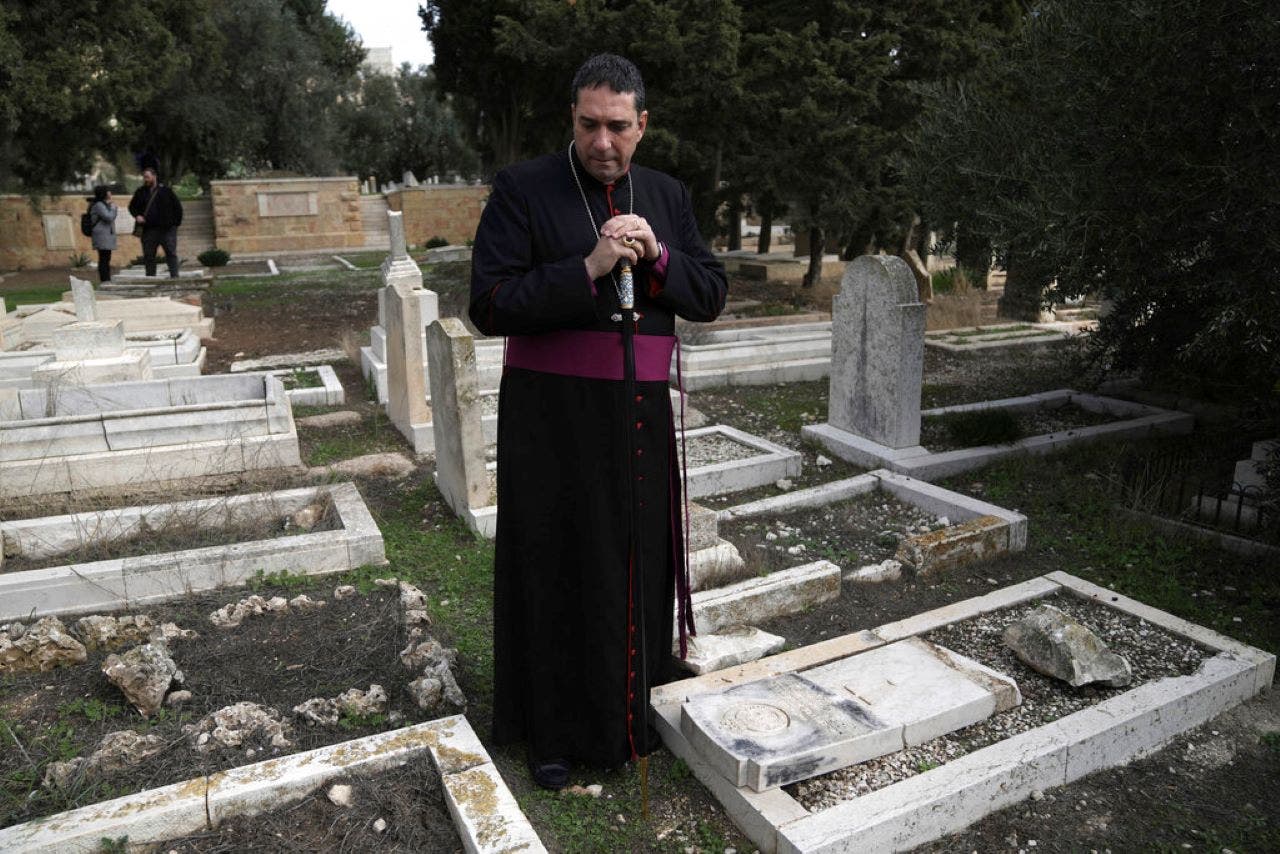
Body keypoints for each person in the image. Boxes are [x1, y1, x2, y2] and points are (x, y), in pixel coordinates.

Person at [470, 53, 728, 789]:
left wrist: (659, 256)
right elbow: (488, 305)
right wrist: (586, 266)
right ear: (572, 120)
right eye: (590, 124)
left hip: (638, 417)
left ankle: (625, 716)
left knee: (631, 566)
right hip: (549, 418)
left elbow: (709, 293)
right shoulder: (524, 189)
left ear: (642, 125)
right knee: (555, 567)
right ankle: (551, 734)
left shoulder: (669, 196)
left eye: (618, 126)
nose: (603, 141)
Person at [128, 166, 183, 278]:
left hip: (167, 229)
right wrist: (137, 215)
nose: (146, 179)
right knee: (149, 256)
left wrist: (175, 224)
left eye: (147, 177)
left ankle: (175, 277)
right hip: (148, 230)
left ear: (154, 176)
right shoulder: (140, 192)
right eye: (144, 177)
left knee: (171, 254)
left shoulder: (166, 191)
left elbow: (178, 208)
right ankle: (150, 279)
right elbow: (132, 207)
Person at [88, 186, 117, 283]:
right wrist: (113, 207)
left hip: (105, 235)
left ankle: (106, 278)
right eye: (108, 191)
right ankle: (105, 279)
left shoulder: (102, 204)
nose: (110, 193)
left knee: (106, 257)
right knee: (104, 258)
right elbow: (109, 217)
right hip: (102, 235)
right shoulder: (99, 205)